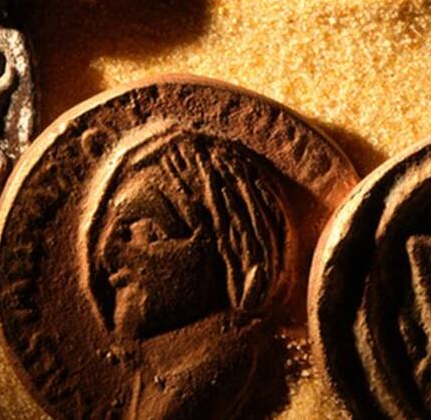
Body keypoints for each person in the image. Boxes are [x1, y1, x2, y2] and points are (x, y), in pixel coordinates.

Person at [82, 122, 295, 418]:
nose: (106, 254)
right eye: (112, 233)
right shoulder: (160, 385)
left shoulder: (204, 388)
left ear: (224, 246)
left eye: (147, 231)